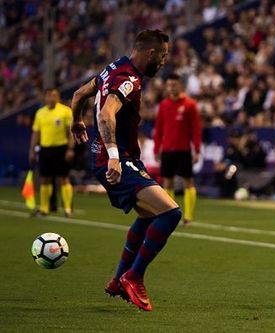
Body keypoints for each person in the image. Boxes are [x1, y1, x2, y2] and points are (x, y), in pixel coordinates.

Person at [70, 29, 181, 312]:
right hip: (118, 158)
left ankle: (119, 279)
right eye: (164, 55)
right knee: (170, 212)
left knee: (148, 215)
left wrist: (77, 121)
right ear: (151, 53)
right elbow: (107, 113)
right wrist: (114, 157)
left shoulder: (114, 67)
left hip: (117, 156)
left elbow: (80, 93)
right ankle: (134, 276)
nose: (165, 61)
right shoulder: (128, 79)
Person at [153, 73, 201, 225]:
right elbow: (158, 129)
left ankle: (188, 217)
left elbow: (196, 129)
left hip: (184, 149)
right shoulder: (163, 105)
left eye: (174, 84)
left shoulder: (190, 104)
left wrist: (197, 150)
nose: (171, 87)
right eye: (169, 85)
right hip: (167, 149)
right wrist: (156, 148)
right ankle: (170, 215)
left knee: (188, 181)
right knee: (167, 182)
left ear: (180, 85)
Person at [29, 88, 74, 217]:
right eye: (49, 96)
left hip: (61, 148)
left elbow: (70, 132)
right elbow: (36, 134)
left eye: (54, 96)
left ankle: (67, 209)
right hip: (45, 149)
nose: (51, 98)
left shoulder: (65, 111)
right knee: (45, 179)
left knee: (64, 178)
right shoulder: (40, 113)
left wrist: (70, 149)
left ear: (58, 97)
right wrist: (32, 151)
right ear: (45, 98)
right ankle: (44, 208)